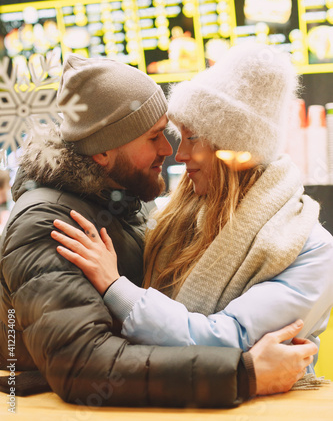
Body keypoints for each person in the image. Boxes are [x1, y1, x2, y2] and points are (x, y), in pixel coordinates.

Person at [0, 53, 317, 408]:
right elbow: (84, 366)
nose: (170, 151)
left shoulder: (129, 201)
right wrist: (243, 374)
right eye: (154, 137)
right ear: (104, 151)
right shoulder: (49, 224)